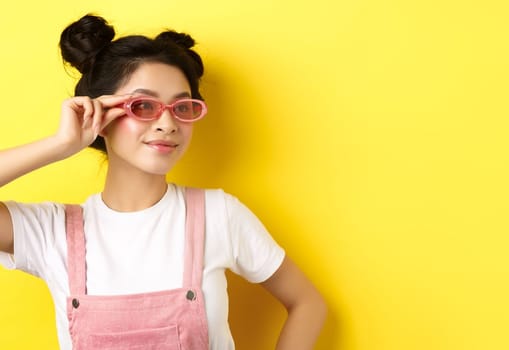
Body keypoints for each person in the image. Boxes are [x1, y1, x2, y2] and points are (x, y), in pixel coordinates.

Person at [0, 14, 327, 350]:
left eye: (182, 106)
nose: (168, 123)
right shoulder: (50, 231)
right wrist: (60, 144)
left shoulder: (219, 214)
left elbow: (308, 304)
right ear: (101, 113)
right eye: (143, 105)